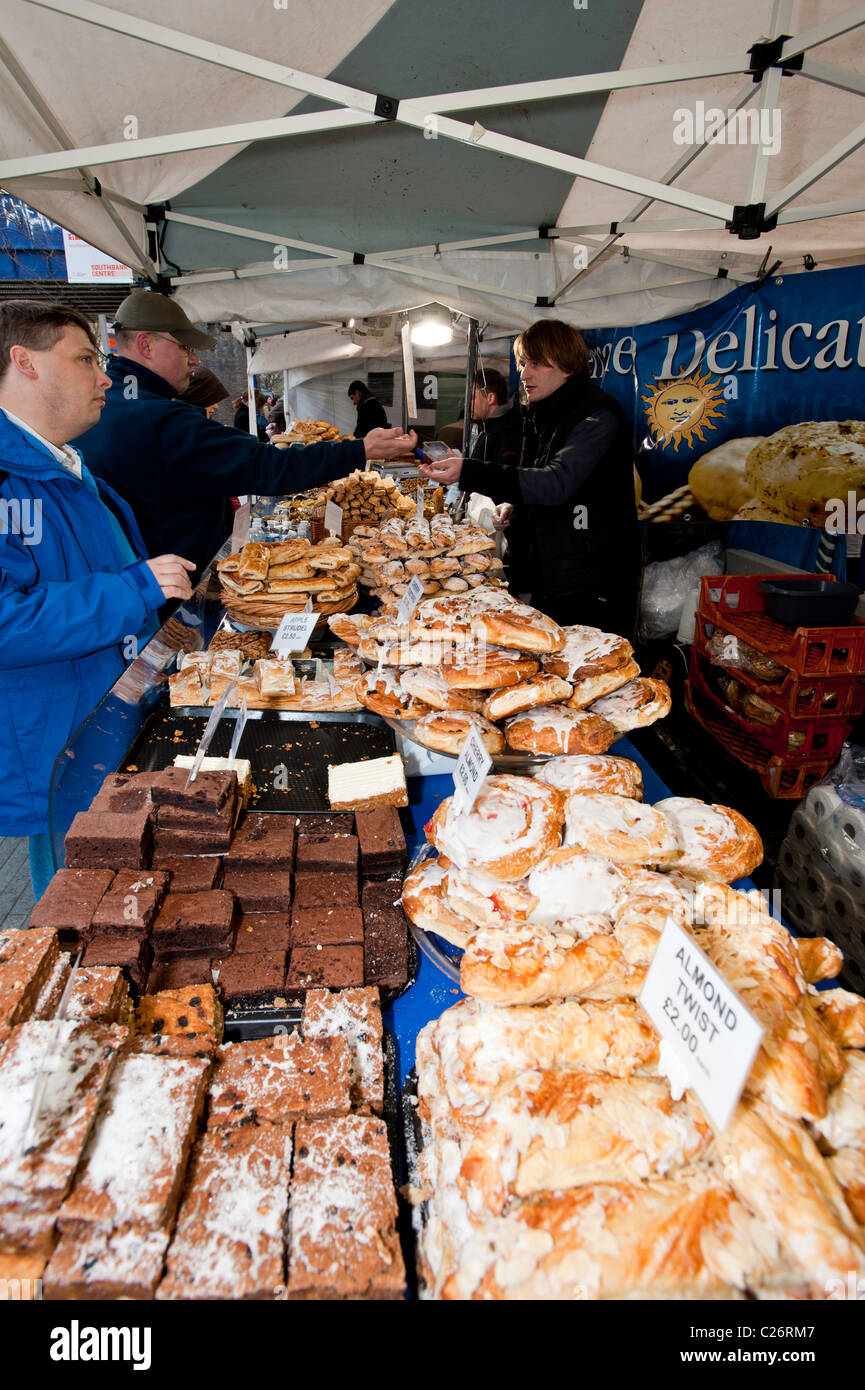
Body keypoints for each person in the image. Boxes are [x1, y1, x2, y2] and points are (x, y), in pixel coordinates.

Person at [0, 300, 194, 898]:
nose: (105, 375)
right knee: (80, 917)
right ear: (23, 361)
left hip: (107, 724)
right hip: (57, 748)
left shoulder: (67, 466)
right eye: (85, 358)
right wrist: (135, 587)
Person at [74, 292, 416, 576]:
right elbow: (265, 465)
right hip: (168, 588)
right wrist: (359, 450)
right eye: (185, 348)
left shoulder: (98, 407)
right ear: (146, 344)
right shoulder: (158, 418)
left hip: (127, 578)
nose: (194, 361)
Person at [418, 319, 641, 637]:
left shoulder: (598, 415)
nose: (523, 374)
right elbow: (538, 479)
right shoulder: (545, 414)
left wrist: (470, 471)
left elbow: (557, 483)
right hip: (554, 576)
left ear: (566, 367)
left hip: (594, 586)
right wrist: (517, 506)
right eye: (523, 363)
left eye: (535, 364)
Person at [470, 367, 522, 469]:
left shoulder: (509, 430)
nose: (468, 403)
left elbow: (505, 476)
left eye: (473, 397)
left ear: (491, 398)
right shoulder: (487, 427)